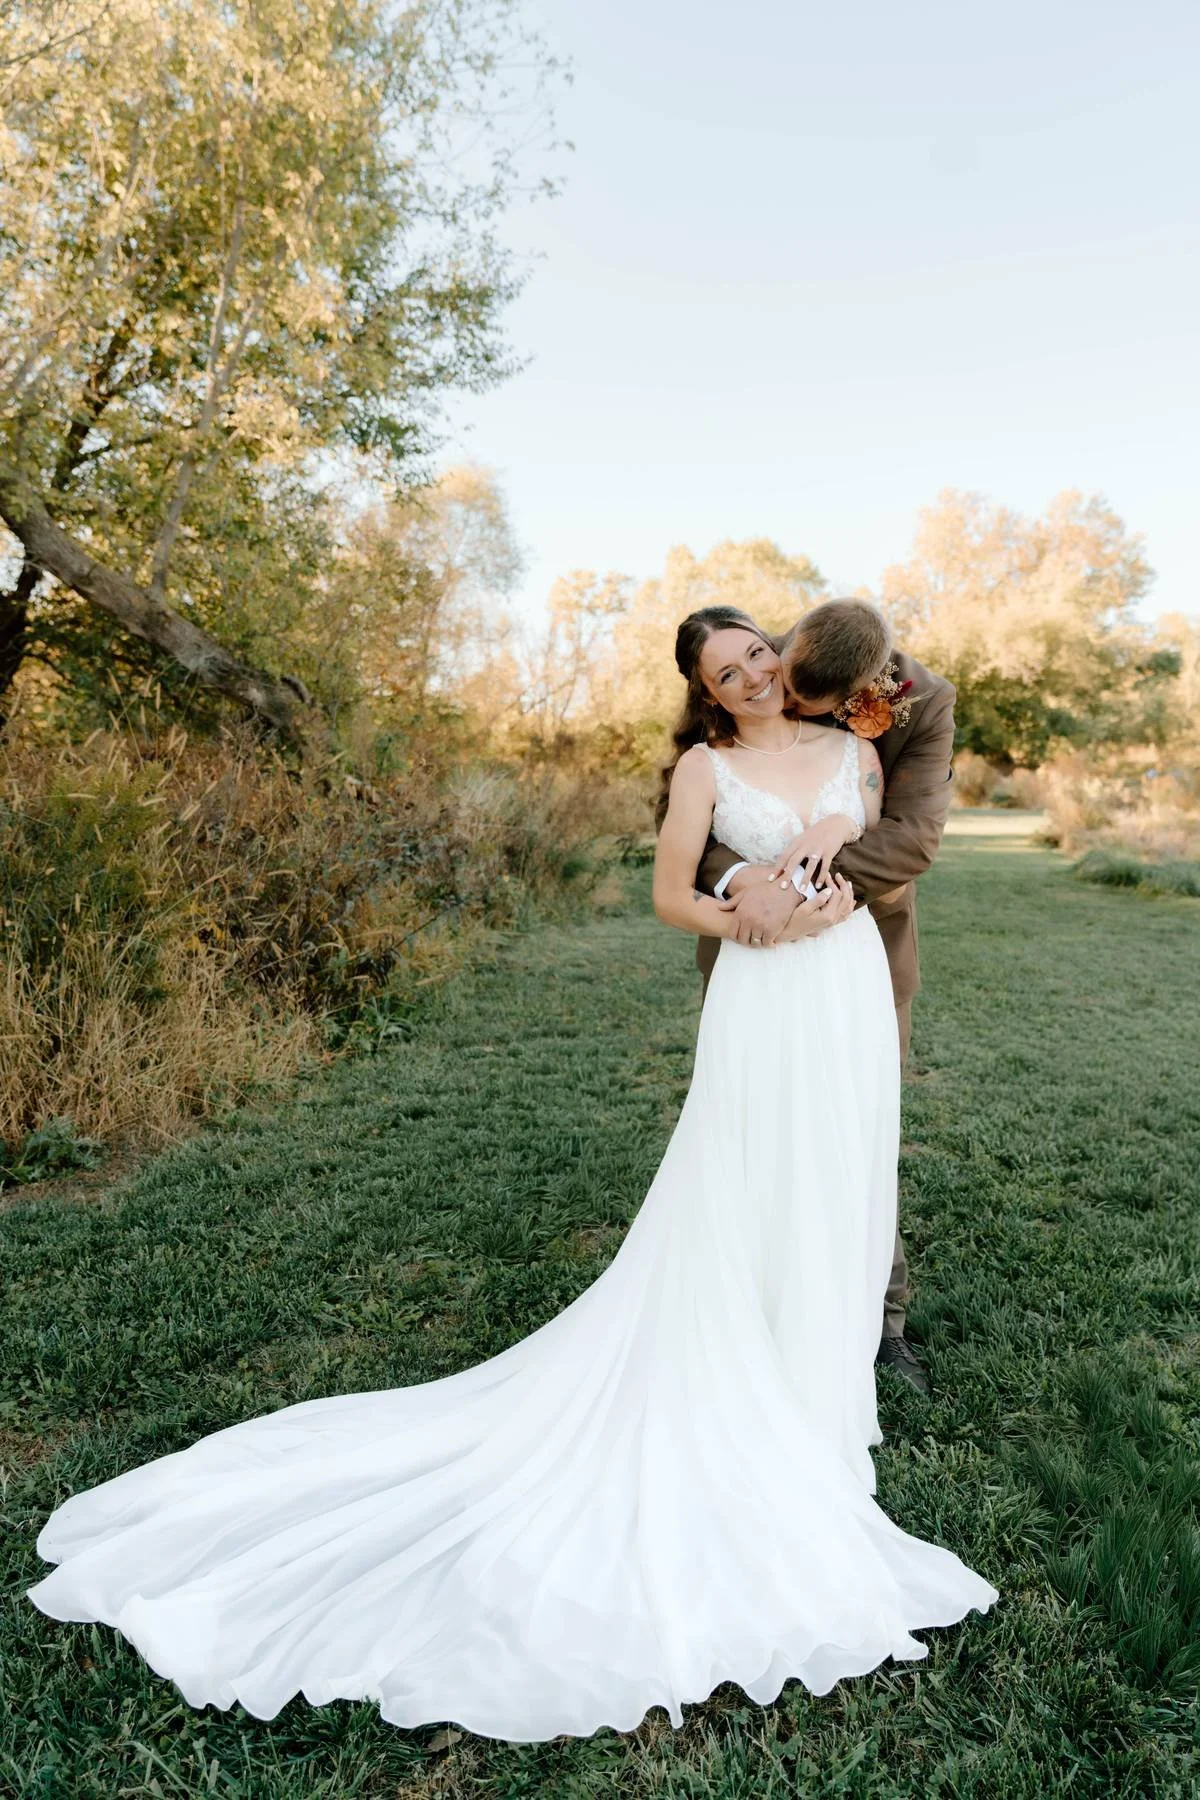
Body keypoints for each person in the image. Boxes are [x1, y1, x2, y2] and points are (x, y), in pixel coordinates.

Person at [28, 606, 995, 1744]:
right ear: (705, 689)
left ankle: (834, 1348)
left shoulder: (870, 733)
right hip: (762, 982)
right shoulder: (701, 766)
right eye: (724, 671)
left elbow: (885, 833)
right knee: (744, 1167)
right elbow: (673, 888)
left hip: (848, 983)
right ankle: (747, 1355)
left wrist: (822, 887)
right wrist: (752, 908)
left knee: (843, 1160)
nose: (748, 675)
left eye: (755, 656)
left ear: (789, 651)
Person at [694, 597, 957, 1396]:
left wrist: (808, 886)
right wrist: (751, 888)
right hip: (753, 944)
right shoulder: (758, 658)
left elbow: (914, 837)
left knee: (860, 1125)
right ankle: (744, 1302)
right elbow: (694, 821)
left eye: (811, 706)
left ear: (860, 691)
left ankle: (883, 1327)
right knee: (754, 1125)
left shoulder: (927, 702)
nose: (778, 695)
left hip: (863, 945)